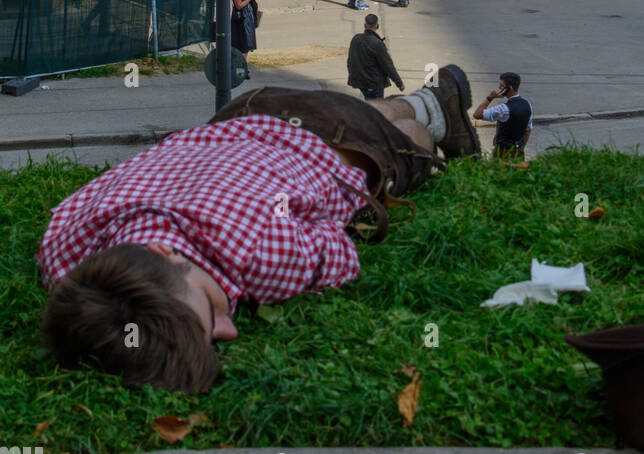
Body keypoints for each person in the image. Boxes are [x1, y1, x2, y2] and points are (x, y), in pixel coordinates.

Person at [37, 69, 480, 391]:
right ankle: (429, 97)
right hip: (243, 116)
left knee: (412, 142)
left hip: (345, 145)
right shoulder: (66, 249)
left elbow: (340, 249)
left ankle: (435, 118)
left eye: (211, 311)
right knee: (374, 114)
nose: (228, 332)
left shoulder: (257, 258)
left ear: (163, 251)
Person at [472, 72, 533, 159]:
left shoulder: (503, 109)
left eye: (501, 85)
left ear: (510, 88)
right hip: (518, 149)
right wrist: (522, 147)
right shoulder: (527, 105)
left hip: (503, 151)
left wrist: (490, 98)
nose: (499, 87)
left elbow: (477, 114)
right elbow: (528, 129)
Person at [346, 12, 404, 101]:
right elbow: (388, 66)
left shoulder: (356, 39)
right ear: (377, 26)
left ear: (365, 26)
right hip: (374, 84)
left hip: (361, 82)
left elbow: (350, 61)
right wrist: (399, 83)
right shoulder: (377, 44)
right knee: (376, 109)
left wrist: (353, 79)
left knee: (366, 106)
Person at [230, 0, 257, 73]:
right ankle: (239, 70)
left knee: (245, 44)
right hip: (240, 18)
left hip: (246, 16)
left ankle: (242, 68)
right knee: (242, 44)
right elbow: (239, 5)